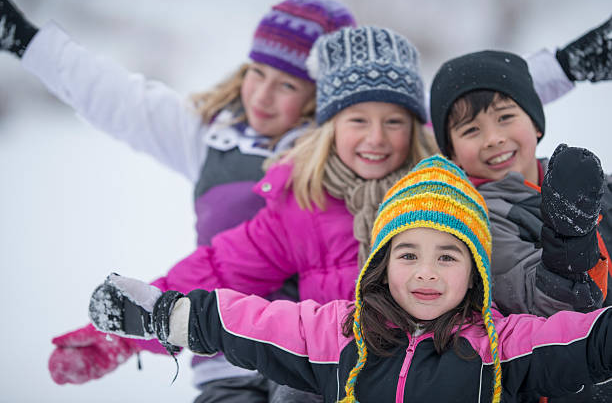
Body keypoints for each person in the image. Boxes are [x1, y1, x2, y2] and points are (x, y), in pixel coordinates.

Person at [48, 23, 439, 398]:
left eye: (393, 122)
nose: (376, 138)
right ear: (330, 126)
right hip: (330, 380)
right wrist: (121, 336)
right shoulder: (302, 205)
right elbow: (219, 267)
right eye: (358, 120)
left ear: (415, 129)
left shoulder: (441, 197)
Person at [0, 0, 356, 401]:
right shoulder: (212, 137)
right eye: (256, 73)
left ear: (320, 94)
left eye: (287, 85)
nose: (261, 96)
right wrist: (29, 43)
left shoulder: (346, 155)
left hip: (305, 357)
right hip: (221, 353)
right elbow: (123, 101)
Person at [86, 155, 612, 403]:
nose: (426, 271)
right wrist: (163, 314)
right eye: (408, 254)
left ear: (474, 271)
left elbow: (579, 342)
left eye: (448, 257)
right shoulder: (341, 334)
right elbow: (253, 324)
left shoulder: (501, 345)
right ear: (382, 264)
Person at [429, 46, 612, 402]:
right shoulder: (478, 217)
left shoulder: (584, 179)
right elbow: (537, 301)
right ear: (450, 152)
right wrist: (569, 242)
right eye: (471, 129)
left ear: (535, 121)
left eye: (505, 117)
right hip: (570, 382)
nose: (493, 138)